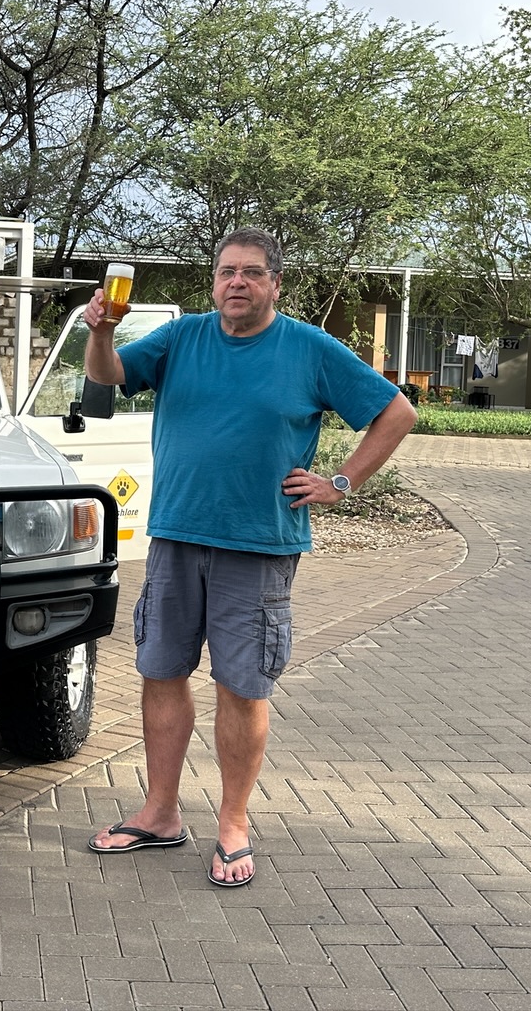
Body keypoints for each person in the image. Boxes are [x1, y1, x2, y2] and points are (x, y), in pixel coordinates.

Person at [84, 228, 416, 887]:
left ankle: (233, 823)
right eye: (227, 271)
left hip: (259, 545)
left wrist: (341, 481)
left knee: (242, 686)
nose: (237, 282)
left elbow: (396, 412)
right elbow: (108, 375)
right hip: (176, 536)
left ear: (275, 284)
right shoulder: (182, 338)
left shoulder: (309, 349)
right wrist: (100, 331)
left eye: (252, 272)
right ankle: (160, 813)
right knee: (161, 671)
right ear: (214, 282)